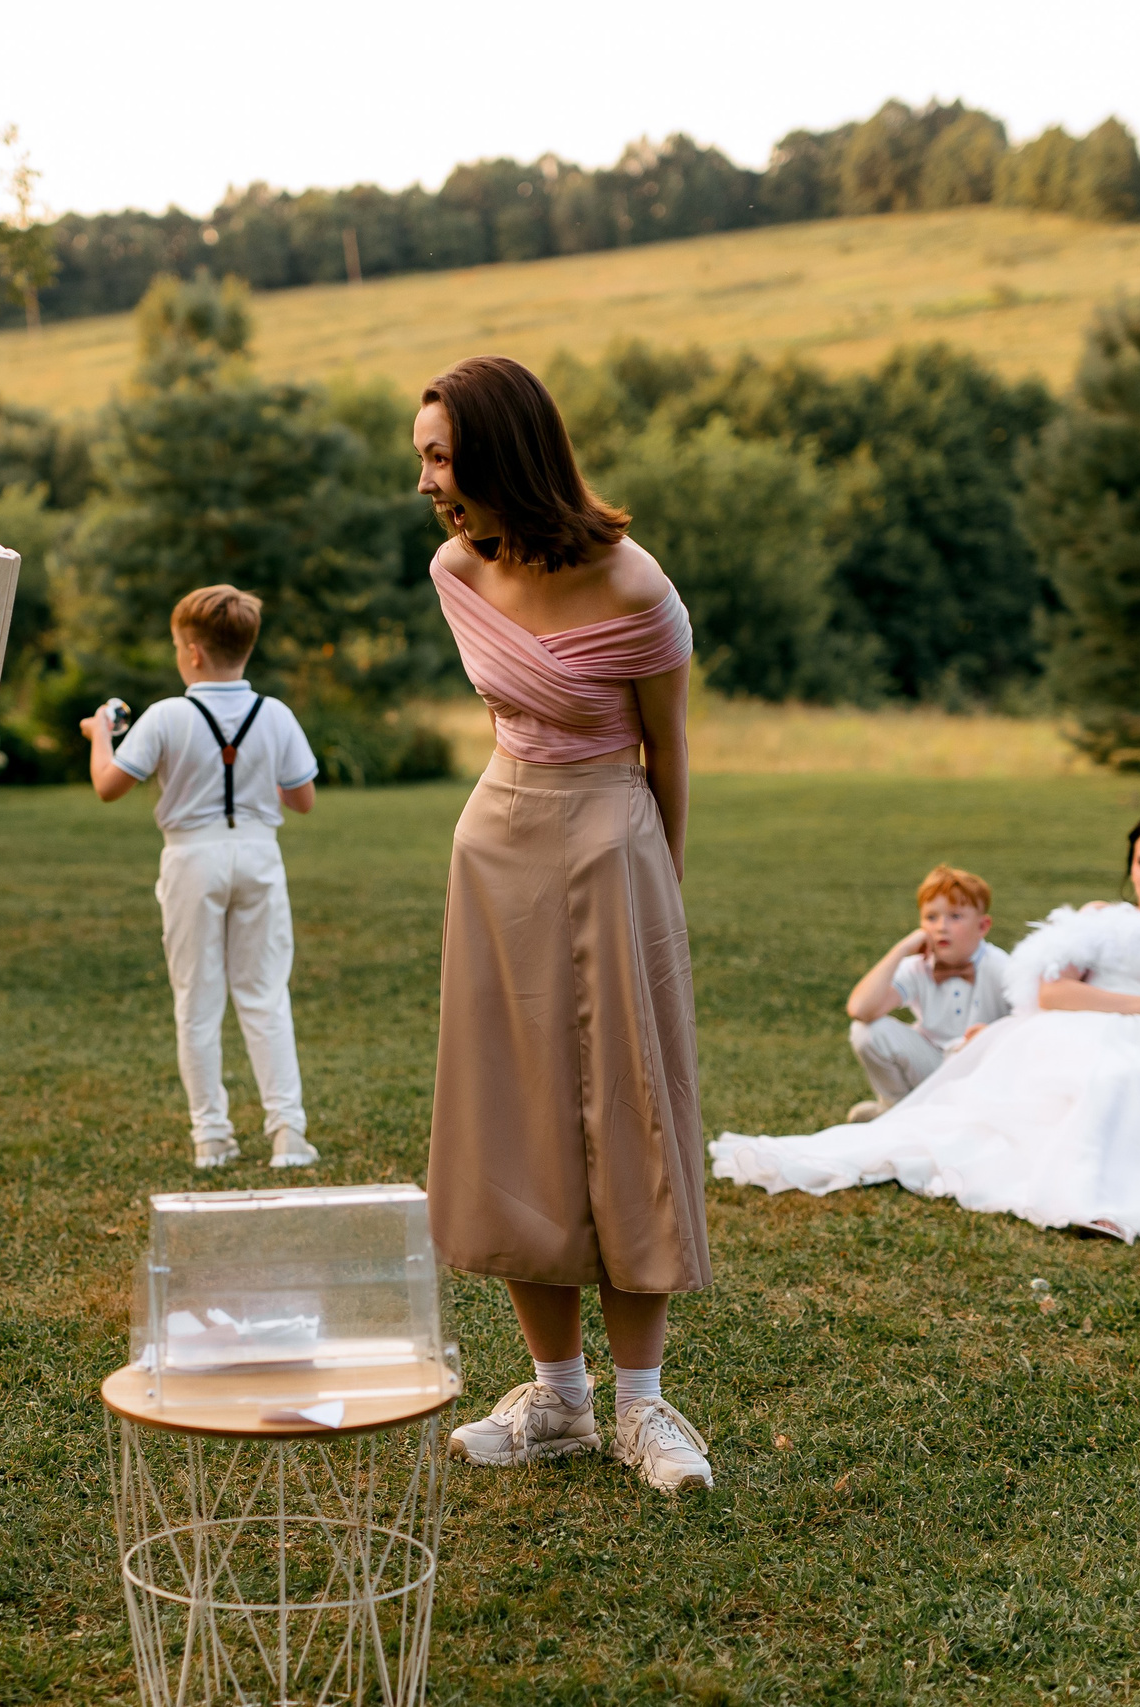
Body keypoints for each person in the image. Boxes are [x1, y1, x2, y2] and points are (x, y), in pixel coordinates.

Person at [414, 355, 715, 1493]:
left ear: (501, 450)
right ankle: (559, 1399)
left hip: (610, 847)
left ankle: (642, 1409)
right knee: (510, 1116)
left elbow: (668, 753)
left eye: (441, 455)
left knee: (627, 1116)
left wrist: (661, 891)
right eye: (422, 458)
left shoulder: (636, 587)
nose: (430, 481)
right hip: (496, 846)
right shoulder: (454, 569)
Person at [713, 812, 1140, 1241]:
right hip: (1091, 1027)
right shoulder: (1103, 916)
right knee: (1104, 1080)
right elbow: (1053, 991)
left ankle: (1127, 1197)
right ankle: (1086, 1201)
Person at [80, 584, 322, 1170]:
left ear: (191, 652)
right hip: (259, 856)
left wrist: (101, 736)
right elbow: (303, 799)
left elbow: (109, 787)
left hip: (192, 858)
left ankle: (212, 1135)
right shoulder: (277, 714)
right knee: (264, 995)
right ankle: (288, 1132)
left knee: (197, 1000)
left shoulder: (167, 715)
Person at [842, 864, 1013, 1122]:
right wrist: (901, 949)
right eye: (931, 918)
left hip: (980, 1070)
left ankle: (942, 1119)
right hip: (931, 1063)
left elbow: (1032, 1021)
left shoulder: (1002, 966)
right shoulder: (918, 967)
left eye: (955, 917)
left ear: (983, 926)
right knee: (866, 1031)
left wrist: (994, 1036)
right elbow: (861, 1009)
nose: (941, 927)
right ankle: (895, 1110)